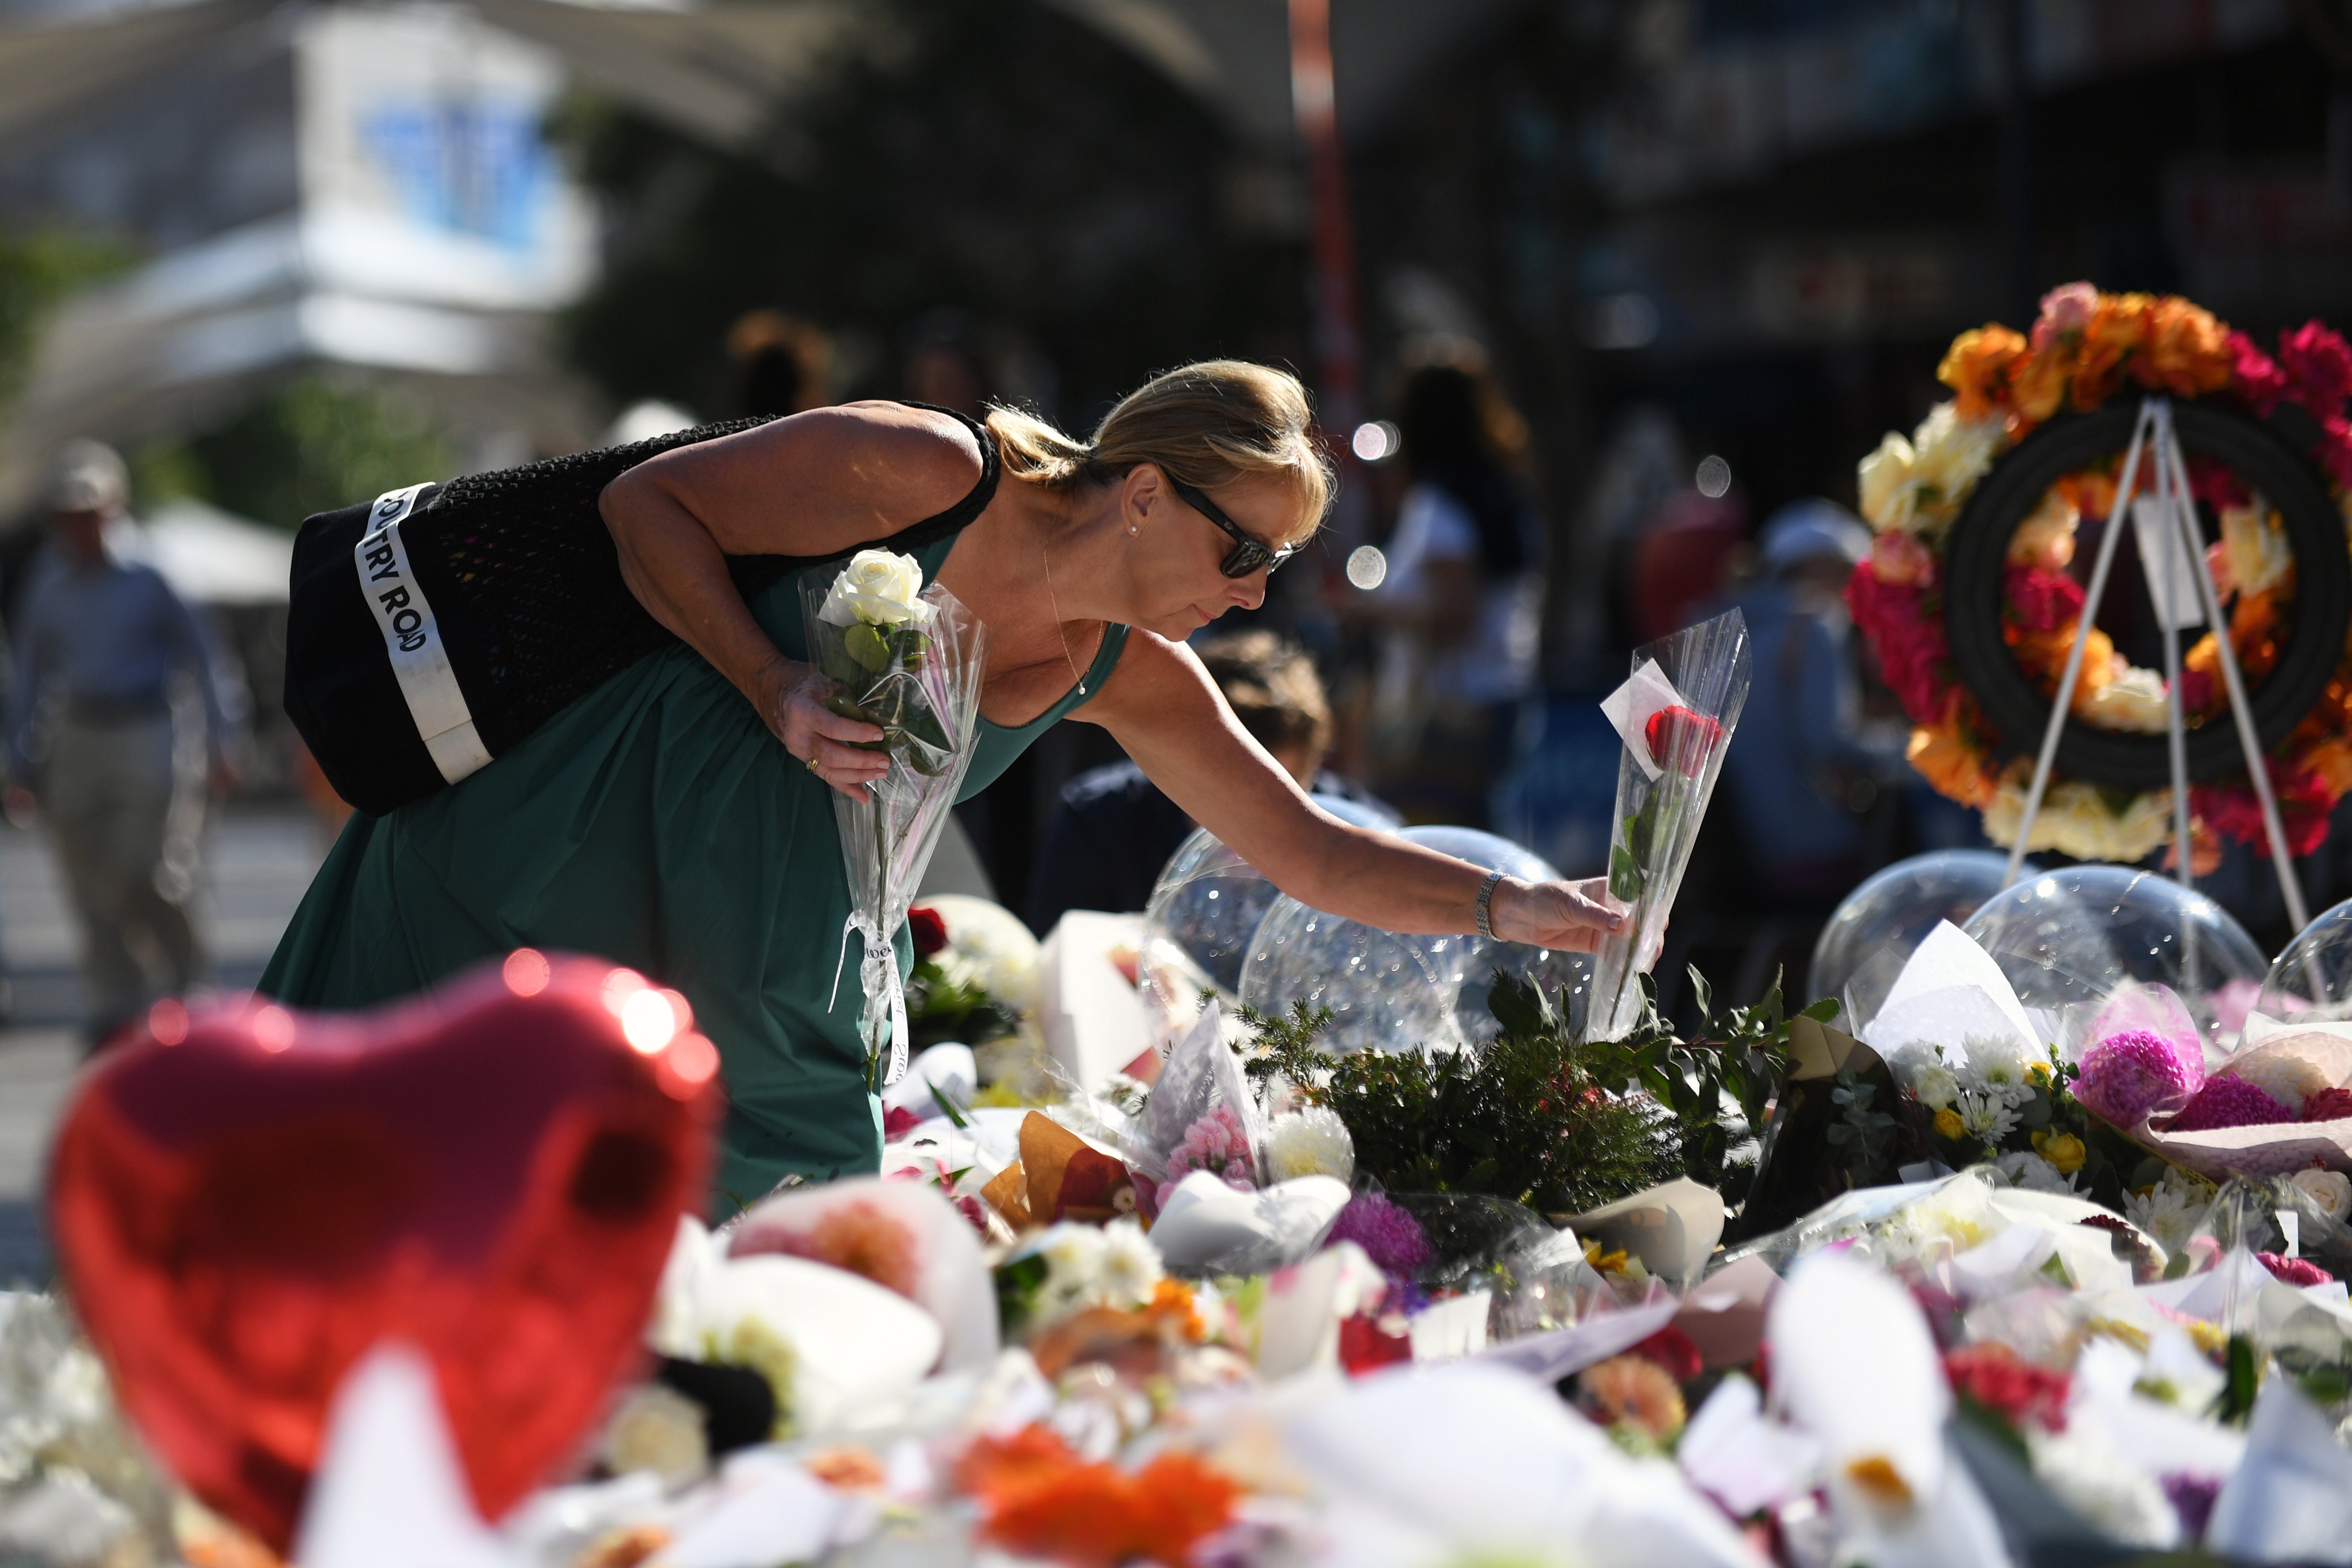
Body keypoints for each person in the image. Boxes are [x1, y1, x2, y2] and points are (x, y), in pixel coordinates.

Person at [261, 362, 1625, 1205]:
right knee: (342, 1169)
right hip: (544, 852)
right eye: (1243, 553)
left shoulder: (1129, 670)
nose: (1257, 594)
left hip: (766, 959)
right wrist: (767, 678)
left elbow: (1311, 849)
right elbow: (642, 508)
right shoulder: (929, 468)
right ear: (1145, 492)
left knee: (730, 1261)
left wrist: (1520, 905)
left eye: (1275, 569)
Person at [8, 440, 245, 1043]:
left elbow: (205, 656)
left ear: (113, 508)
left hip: (148, 727)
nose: (79, 525)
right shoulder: (49, 582)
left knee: (149, 870)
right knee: (87, 879)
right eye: (68, 513)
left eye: (89, 510)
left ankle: (189, 985)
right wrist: (20, 762)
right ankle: (117, 1004)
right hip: (78, 733)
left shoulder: (154, 571)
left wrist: (224, 739)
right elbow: (32, 674)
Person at [1024, 629, 1388, 931]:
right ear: (1180, 757)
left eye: (1283, 789)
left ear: (1315, 770)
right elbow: (1061, 954)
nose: (1252, 817)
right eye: (1234, 787)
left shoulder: (1362, 836)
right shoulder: (1096, 821)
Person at [1354, 361, 1541, 824]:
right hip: (1502, 694)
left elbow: (1456, 614)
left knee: (1445, 856)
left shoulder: (1439, 501)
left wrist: (1367, 613)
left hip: (1450, 715)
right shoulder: (1505, 492)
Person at [1721, 501, 1909, 906]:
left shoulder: (1723, 626)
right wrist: (1911, 748)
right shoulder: (1818, 622)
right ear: (1818, 568)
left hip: (1740, 854)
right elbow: (1831, 740)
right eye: (1847, 574)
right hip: (1815, 844)